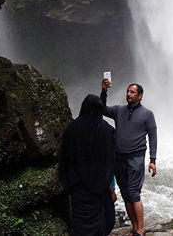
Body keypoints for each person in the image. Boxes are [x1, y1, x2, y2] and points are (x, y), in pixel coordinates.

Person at [100, 80, 157, 236]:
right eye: (127, 91)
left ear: (140, 95)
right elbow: (102, 109)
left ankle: (141, 228)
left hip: (136, 158)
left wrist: (153, 160)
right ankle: (134, 227)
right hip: (119, 158)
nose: (128, 94)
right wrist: (104, 91)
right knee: (125, 194)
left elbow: (153, 137)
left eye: (132, 92)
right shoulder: (119, 110)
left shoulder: (147, 114)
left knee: (133, 193)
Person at [59, 94, 118, 236]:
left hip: (78, 187)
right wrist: (110, 185)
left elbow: (65, 158)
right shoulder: (106, 129)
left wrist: (68, 183)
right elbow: (111, 157)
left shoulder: (72, 129)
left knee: (80, 222)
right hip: (100, 186)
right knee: (102, 221)